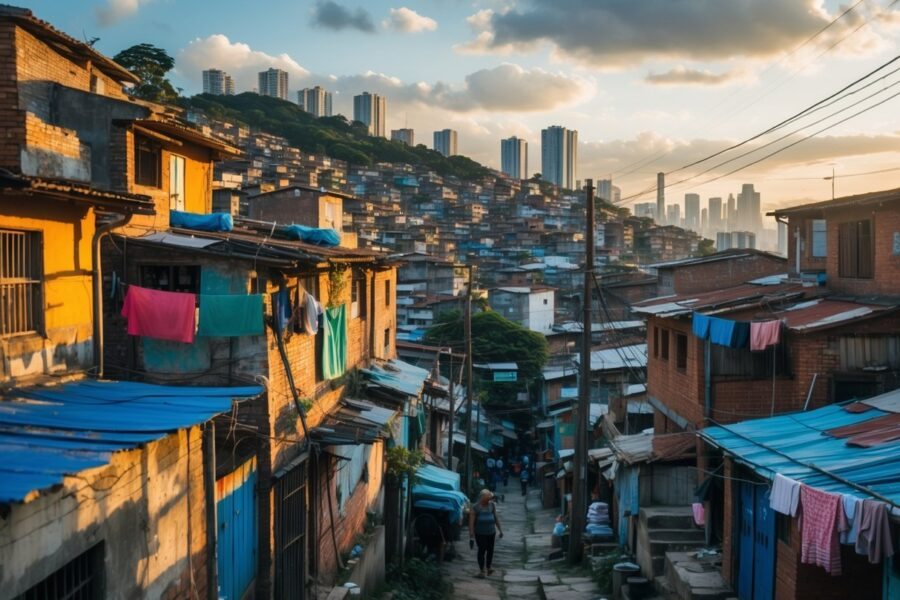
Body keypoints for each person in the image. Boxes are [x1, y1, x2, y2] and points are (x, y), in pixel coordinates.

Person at [469, 489, 503, 577]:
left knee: (490, 550)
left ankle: (489, 568)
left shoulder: (492, 505)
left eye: (490, 496)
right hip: (480, 533)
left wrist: (500, 530)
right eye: (488, 496)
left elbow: (495, 518)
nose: (490, 497)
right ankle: (482, 570)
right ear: (482, 497)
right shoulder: (475, 507)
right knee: (482, 550)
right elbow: (471, 522)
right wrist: (471, 535)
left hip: (491, 532)